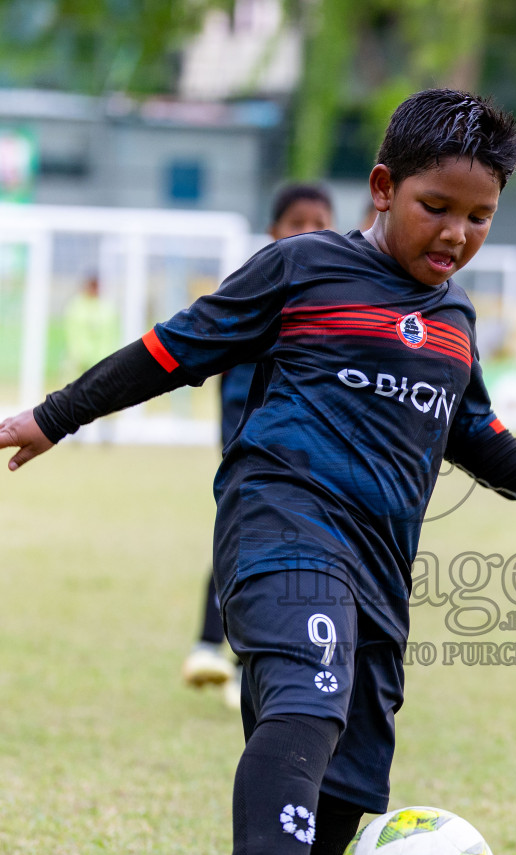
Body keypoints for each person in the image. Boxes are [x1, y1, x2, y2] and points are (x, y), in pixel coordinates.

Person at [0, 90, 516, 855]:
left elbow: (473, 425)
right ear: (384, 188)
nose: (457, 234)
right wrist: (55, 416)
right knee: (310, 684)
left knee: (354, 762)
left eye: (480, 217)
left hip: (385, 563)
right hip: (282, 519)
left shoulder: (457, 319)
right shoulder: (304, 268)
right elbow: (171, 349)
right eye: (438, 207)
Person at [184, 184, 335, 707]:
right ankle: (217, 650)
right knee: (251, 544)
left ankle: (235, 661)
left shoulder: (337, 304)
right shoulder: (256, 290)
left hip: (312, 464)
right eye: (297, 222)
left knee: (285, 558)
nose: (310, 232)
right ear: (273, 232)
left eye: (321, 221)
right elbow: (214, 364)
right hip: (253, 451)